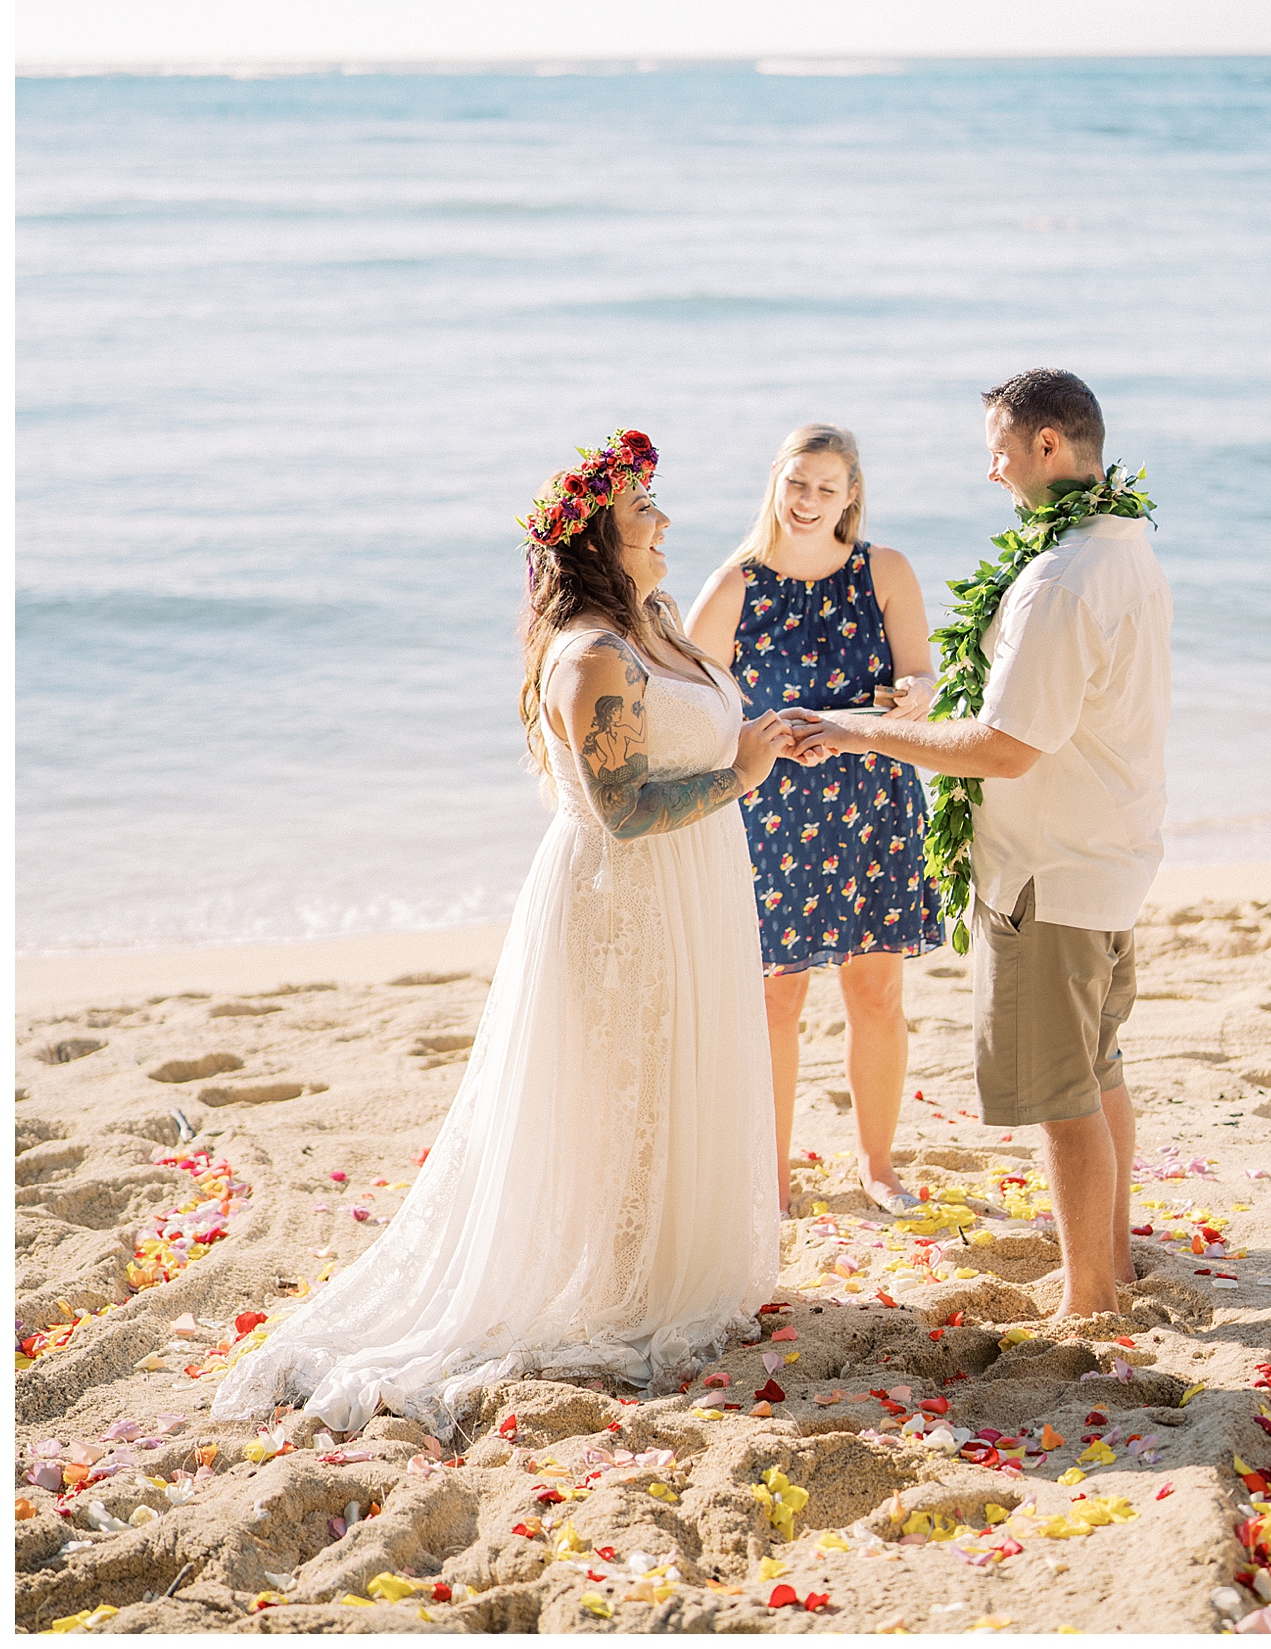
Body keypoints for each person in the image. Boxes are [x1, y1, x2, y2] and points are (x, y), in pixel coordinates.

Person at [213, 428, 793, 1434]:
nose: (663, 521)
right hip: (625, 898)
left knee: (674, 1079)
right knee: (623, 1093)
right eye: (642, 510)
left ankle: (664, 1272)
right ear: (600, 542)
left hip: (693, 887)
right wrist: (741, 774)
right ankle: (618, 1289)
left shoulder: (655, 619)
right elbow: (622, 810)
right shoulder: (592, 661)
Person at [790, 374, 1172, 1318]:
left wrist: (859, 731)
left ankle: (1088, 1300)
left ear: (1048, 446)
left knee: (1061, 1094)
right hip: (1110, 854)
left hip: (1049, 873)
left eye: (999, 447)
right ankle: (1112, 1271)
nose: (988, 467)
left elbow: (1006, 748)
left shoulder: (1060, 580)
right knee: (1098, 1068)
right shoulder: (1122, 546)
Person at [687, 424, 942, 1219]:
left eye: (826, 489)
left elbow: (921, 675)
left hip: (872, 800)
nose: (807, 502)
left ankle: (877, 1164)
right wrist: (758, 743)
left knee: (876, 992)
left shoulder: (886, 571)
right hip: (772, 810)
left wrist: (915, 695)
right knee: (776, 1001)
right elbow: (692, 711)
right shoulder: (734, 583)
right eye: (797, 484)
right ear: (776, 481)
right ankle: (771, 1175)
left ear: (851, 496)